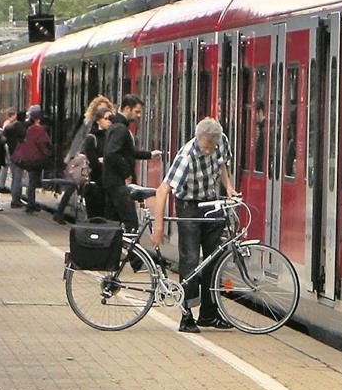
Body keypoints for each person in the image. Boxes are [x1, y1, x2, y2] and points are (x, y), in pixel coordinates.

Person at [150, 118, 237, 333]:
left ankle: (208, 314)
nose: (209, 151)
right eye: (206, 147)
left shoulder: (221, 141)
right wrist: (158, 227)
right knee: (189, 259)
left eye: (212, 147)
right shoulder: (186, 156)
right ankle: (186, 316)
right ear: (198, 139)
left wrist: (229, 188)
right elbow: (162, 191)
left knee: (213, 258)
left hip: (211, 202)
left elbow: (222, 164)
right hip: (188, 206)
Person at [102, 94, 161, 232]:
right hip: (118, 184)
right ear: (127, 109)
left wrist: (149, 155)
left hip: (111, 182)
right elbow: (111, 153)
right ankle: (130, 253)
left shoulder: (116, 126)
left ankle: (111, 251)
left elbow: (127, 152)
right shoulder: (121, 129)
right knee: (131, 224)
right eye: (137, 111)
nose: (139, 115)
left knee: (112, 222)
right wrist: (126, 174)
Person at [54, 96, 114, 224]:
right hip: (85, 159)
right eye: (100, 108)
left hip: (92, 161)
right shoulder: (89, 124)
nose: (103, 110)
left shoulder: (107, 126)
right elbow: (80, 140)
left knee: (75, 185)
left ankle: (60, 212)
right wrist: (74, 155)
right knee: (74, 184)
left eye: (105, 108)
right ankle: (60, 212)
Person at [12, 106, 52, 213]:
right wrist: (48, 155)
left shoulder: (30, 129)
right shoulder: (40, 130)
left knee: (31, 182)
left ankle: (31, 202)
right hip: (37, 159)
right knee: (33, 182)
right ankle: (31, 204)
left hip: (29, 158)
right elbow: (42, 145)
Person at [4, 110, 27, 208]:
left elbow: (3, 138)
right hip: (19, 154)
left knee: (14, 177)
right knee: (18, 178)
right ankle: (16, 200)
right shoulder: (21, 127)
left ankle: (15, 198)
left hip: (11, 152)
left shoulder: (9, 126)